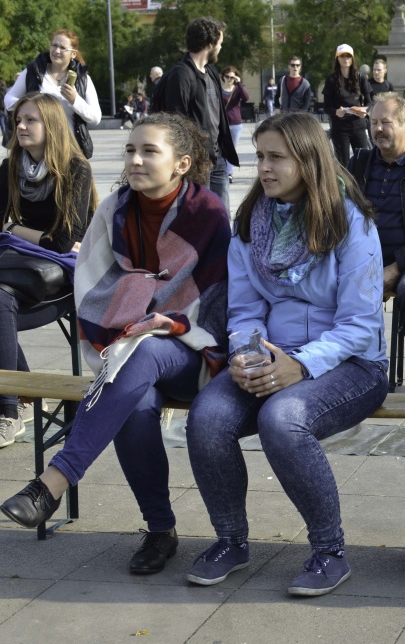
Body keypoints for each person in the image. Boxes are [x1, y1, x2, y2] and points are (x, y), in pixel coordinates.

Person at [0, 113, 231, 577]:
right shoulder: (115, 210)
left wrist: (160, 315)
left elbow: (217, 301)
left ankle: (55, 479)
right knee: (136, 401)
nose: (135, 160)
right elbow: (92, 282)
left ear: (182, 164)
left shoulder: (207, 214)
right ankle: (160, 530)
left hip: (195, 350)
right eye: (130, 150)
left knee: (142, 352)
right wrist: (141, 300)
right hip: (128, 348)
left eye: (149, 151)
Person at [184, 112, 388, 596]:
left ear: (309, 160)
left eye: (276, 157)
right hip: (275, 357)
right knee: (207, 418)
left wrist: (300, 365)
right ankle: (230, 541)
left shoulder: (350, 222)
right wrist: (247, 355)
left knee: (282, 419)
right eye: (260, 156)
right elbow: (244, 310)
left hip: (353, 364)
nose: (264, 168)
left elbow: (361, 324)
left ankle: (329, 552)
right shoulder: (251, 223)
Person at [0, 92, 98, 448]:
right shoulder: (11, 166)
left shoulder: (75, 169)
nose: (21, 126)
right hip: (21, 264)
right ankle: (22, 395)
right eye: (18, 120)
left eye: (31, 120)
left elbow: (64, 241)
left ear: (52, 125)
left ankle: (7, 410)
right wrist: (28, 235)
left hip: (63, 271)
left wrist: (14, 229)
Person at [347, 91, 405, 381]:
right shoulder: (359, 163)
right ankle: (353, 375)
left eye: (385, 123)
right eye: (373, 122)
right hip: (360, 259)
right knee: (325, 284)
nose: (377, 129)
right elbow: (340, 215)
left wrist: (396, 266)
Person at [152, 16, 239, 208]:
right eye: (220, 43)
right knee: (199, 215)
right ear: (210, 44)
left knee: (221, 215)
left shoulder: (211, 71)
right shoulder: (181, 75)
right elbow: (176, 123)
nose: (221, 47)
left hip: (217, 157)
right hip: (197, 162)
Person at [3, 29, 102, 157]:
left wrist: (75, 100)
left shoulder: (83, 79)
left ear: (73, 53)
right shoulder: (33, 72)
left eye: (62, 48)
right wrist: (29, 106)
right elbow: (8, 98)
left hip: (68, 150)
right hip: (36, 151)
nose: (56, 51)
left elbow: (95, 118)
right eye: (54, 45)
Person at [323, 44, 372, 165]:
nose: (345, 59)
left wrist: (365, 111)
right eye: (342, 56)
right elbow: (326, 107)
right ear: (337, 59)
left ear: (352, 58)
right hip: (340, 128)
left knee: (362, 161)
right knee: (343, 163)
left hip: (358, 125)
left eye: (348, 56)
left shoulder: (360, 78)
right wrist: (336, 112)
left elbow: (370, 102)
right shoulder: (331, 80)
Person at [220, 66, 249, 183]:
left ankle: (229, 173)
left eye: (231, 77)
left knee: (231, 149)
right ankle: (223, 171)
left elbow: (246, 98)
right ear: (223, 77)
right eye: (227, 76)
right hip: (222, 124)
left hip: (235, 124)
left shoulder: (237, 89)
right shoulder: (219, 89)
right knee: (221, 149)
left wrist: (239, 83)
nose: (229, 79)